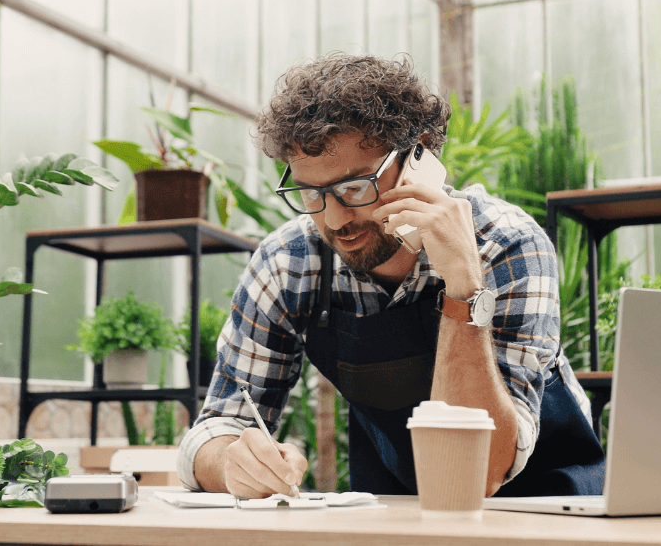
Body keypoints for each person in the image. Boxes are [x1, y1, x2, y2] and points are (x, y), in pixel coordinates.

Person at [175, 53, 605, 498]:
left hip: (547, 509)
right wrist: (233, 464)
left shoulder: (506, 245)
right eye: (311, 192)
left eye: (356, 187)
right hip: (398, 506)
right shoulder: (290, 263)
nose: (336, 218)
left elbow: (479, 474)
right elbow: (219, 425)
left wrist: (464, 288)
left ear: (418, 153)